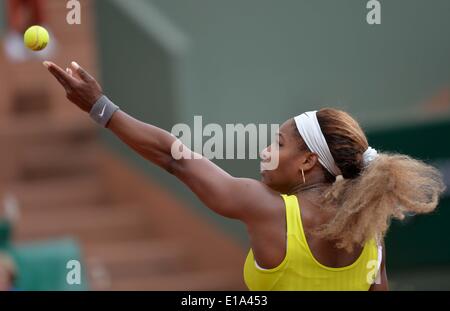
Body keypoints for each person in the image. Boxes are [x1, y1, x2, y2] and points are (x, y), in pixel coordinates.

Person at [43, 60, 446, 291]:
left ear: (307, 162)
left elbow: (175, 158)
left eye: (278, 144)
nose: (265, 152)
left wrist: (100, 107)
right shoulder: (370, 230)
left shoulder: (268, 209)